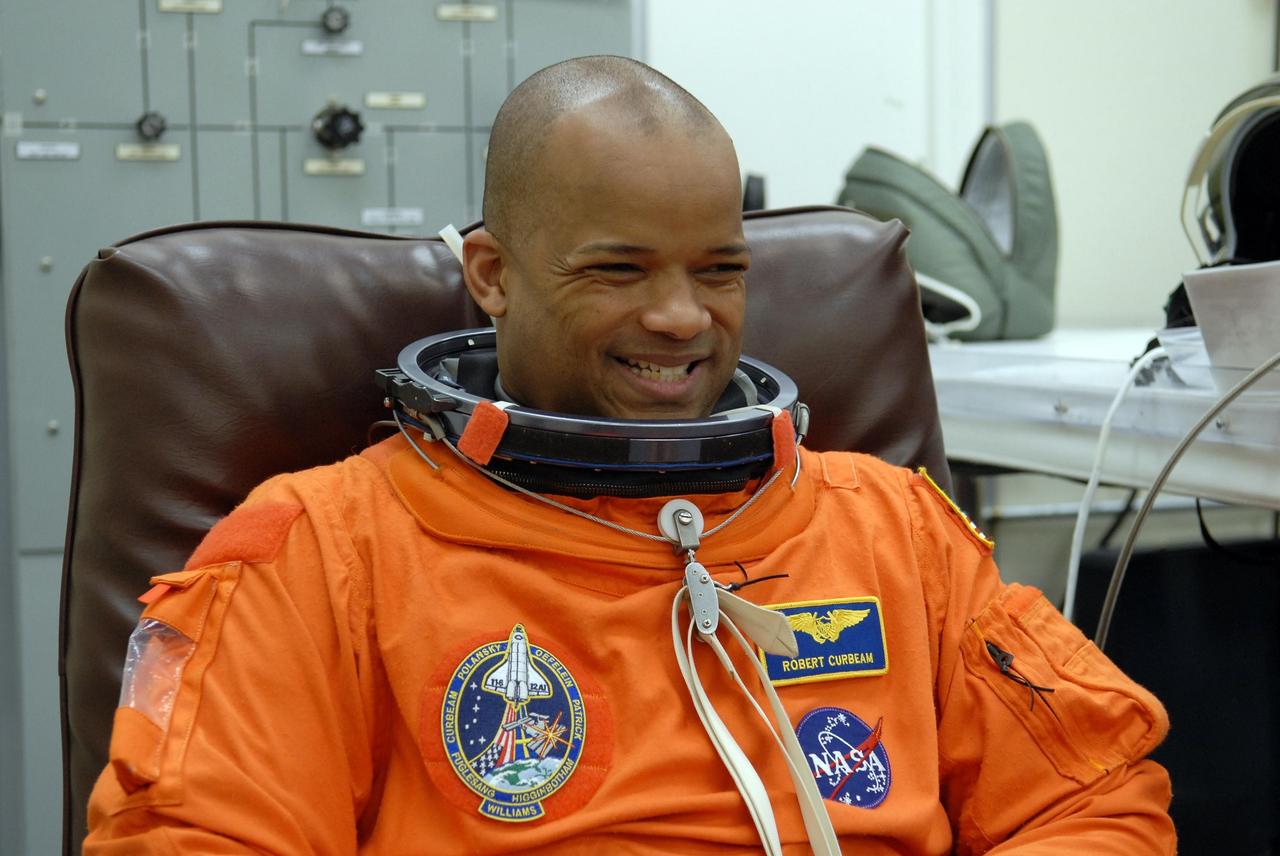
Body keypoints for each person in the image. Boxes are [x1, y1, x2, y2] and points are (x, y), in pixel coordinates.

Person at [85, 56, 1175, 854]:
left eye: (718, 269)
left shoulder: (891, 527)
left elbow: (1091, 797)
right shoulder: (314, 551)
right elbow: (193, 834)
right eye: (617, 270)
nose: (680, 317)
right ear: (491, 273)